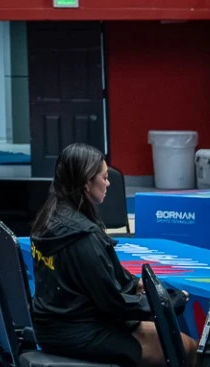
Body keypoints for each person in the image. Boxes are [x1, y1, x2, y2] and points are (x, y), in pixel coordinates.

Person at [32, 142, 194, 367]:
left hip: (54, 324)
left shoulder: (49, 217)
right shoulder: (83, 237)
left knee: (166, 333)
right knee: (186, 347)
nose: (108, 184)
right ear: (87, 183)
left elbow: (99, 277)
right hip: (80, 332)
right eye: (104, 177)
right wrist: (167, 302)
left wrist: (135, 285)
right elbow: (114, 303)